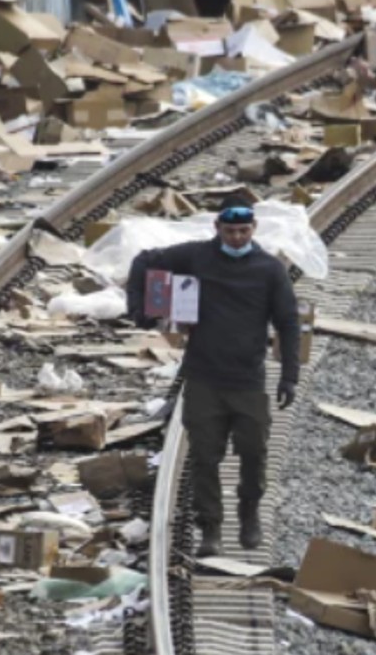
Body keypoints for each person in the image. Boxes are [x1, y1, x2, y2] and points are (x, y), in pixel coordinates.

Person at [126, 199, 300, 558]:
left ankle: (249, 512)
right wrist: (140, 309)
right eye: (230, 230)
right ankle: (211, 527)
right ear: (217, 228)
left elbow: (288, 323)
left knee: (254, 452)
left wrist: (289, 376)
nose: (237, 237)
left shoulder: (270, 270)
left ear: (253, 230)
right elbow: (144, 260)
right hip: (204, 377)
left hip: (248, 379)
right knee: (205, 457)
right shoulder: (197, 257)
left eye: (244, 231)